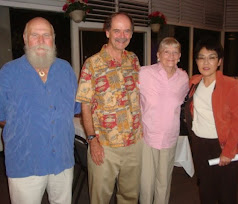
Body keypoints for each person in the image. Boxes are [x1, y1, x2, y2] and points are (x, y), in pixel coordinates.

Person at [0, 17, 80, 204]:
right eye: (35, 35)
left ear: (53, 39)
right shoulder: (8, 72)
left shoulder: (66, 69)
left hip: (62, 161)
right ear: (26, 39)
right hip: (25, 163)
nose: (41, 41)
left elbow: (74, 109)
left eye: (46, 35)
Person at [76, 12, 142, 203]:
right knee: (100, 198)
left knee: (130, 197)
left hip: (134, 143)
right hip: (105, 145)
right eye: (117, 30)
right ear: (107, 32)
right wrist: (92, 140)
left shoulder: (134, 60)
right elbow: (85, 105)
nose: (122, 35)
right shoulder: (92, 64)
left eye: (127, 31)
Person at [185, 37, 238, 204]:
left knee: (226, 192)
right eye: (201, 57)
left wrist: (228, 151)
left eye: (211, 57)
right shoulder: (194, 82)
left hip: (223, 144)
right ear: (196, 61)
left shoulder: (231, 85)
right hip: (199, 144)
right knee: (205, 188)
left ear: (219, 61)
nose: (206, 62)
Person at [139, 37, 189, 204]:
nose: (171, 56)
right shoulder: (144, 73)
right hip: (147, 137)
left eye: (175, 52)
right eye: (166, 51)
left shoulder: (183, 78)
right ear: (158, 55)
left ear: (180, 56)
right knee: (146, 183)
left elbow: (179, 104)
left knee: (164, 182)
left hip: (169, 137)